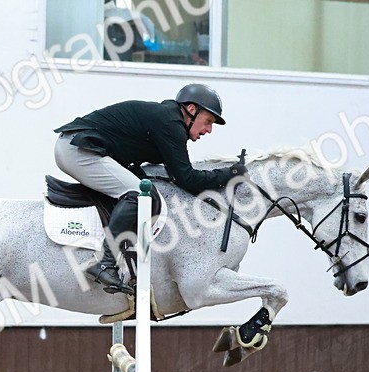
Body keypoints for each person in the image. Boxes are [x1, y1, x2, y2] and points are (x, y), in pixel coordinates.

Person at [54, 83, 245, 291]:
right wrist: (229, 174)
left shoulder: (168, 120)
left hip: (78, 147)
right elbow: (187, 178)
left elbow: (176, 176)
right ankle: (103, 262)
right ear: (191, 109)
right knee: (138, 194)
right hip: (78, 149)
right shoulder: (170, 124)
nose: (208, 130)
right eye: (208, 121)